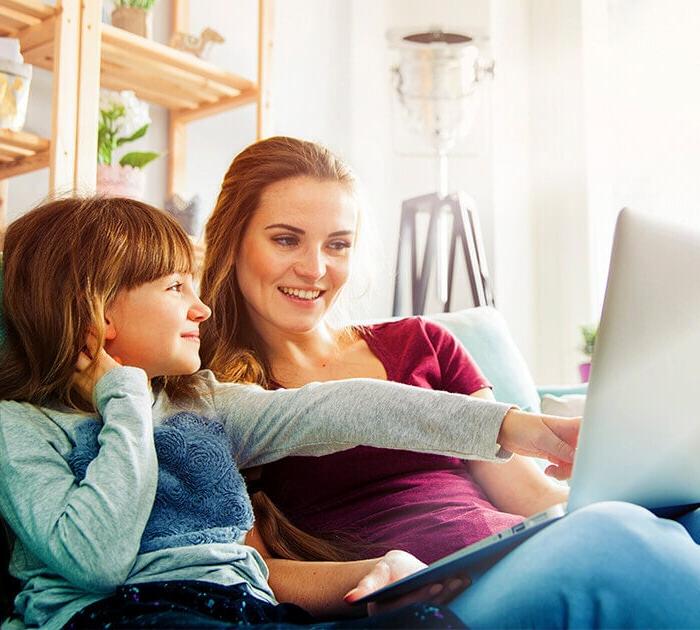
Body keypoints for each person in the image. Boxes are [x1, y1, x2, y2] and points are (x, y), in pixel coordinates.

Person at [0, 196, 578, 630]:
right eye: (176, 287)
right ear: (96, 309)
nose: (200, 308)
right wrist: (124, 399)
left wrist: (519, 426)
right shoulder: (20, 427)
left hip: (243, 610)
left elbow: (347, 407)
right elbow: (94, 561)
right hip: (119, 615)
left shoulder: (202, 404)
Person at [198, 135, 700, 628]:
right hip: (432, 595)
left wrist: (623, 485)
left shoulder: (423, 343)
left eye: (338, 245)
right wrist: (375, 577)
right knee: (618, 540)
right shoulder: (209, 394)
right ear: (233, 241)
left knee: (643, 524)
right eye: (286, 239)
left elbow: (525, 493)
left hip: (517, 552)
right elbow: (241, 567)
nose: (315, 268)